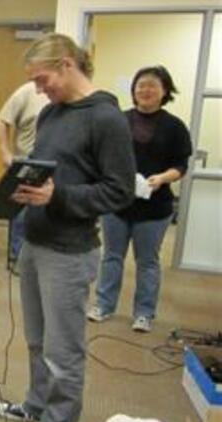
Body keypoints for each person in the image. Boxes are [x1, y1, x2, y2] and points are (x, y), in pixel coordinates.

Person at [0, 34, 135, 422]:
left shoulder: (106, 118)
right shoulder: (50, 114)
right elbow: (49, 171)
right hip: (34, 241)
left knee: (64, 353)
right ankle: (36, 406)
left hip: (69, 252)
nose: (39, 90)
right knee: (38, 342)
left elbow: (120, 190)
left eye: (42, 80)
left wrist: (58, 197)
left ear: (67, 66)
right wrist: (22, 185)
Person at [88, 66, 192, 333]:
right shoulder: (119, 120)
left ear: (165, 91)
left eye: (152, 86)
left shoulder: (174, 126)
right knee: (111, 256)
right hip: (116, 204)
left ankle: (144, 313)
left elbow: (181, 165)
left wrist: (161, 178)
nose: (145, 90)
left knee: (147, 261)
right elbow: (101, 156)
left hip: (155, 208)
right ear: (133, 90)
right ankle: (103, 304)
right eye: (140, 85)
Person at [0, 81, 49, 268]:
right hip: (27, 159)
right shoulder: (27, 91)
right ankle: (16, 255)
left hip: (54, 161)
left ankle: (38, 256)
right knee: (21, 211)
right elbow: (3, 119)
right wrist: (5, 151)